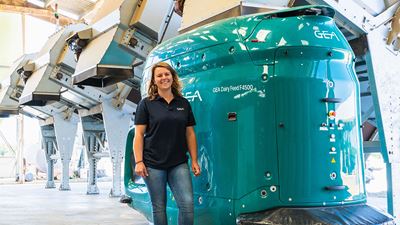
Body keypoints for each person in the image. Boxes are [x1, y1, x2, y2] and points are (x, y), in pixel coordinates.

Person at [133, 62, 201, 225]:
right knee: (159, 207)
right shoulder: (146, 103)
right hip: (153, 164)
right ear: (154, 81)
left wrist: (194, 160)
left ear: (172, 77)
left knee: (187, 205)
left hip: (178, 162)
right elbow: (139, 134)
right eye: (159, 75)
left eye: (167, 74)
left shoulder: (183, 103)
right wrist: (139, 161)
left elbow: (190, 133)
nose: (164, 78)